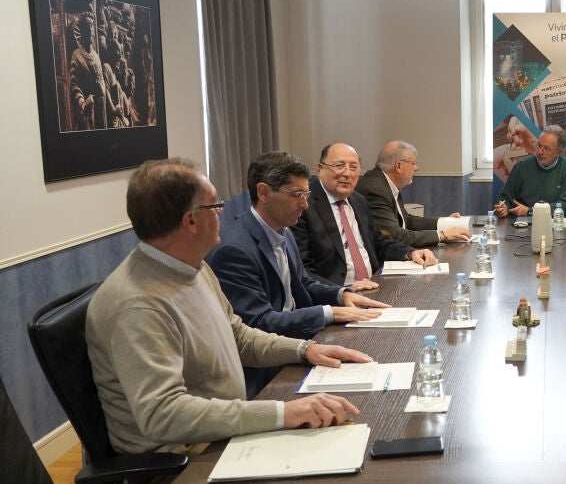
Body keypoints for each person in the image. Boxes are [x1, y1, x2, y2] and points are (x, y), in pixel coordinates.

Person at [85, 158, 372, 455]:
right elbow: (164, 414)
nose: (223, 212)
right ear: (191, 221)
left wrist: (305, 350)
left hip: (226, 428)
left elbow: (237, 335)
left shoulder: (192, 268)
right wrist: (282, 414)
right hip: (186, 458)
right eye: (215, 205)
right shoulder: (138, 305)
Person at [207, 152, 391, 397]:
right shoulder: (234, 250)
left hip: (298, 343)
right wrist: (328, 312)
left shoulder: (283, 229)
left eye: (306, 194)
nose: (305, 204)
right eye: (296, 195)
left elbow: (302, 282)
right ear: (264, 192)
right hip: (267, 372)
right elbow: (259, 324)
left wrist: (341, 295)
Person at [293, 143, 438, 286]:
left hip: (373, 285)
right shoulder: (303, 205)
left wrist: (410, 253)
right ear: (321, 168)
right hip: (337, 293)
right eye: (339, 166)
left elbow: (377, 242)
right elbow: (302, 269)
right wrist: (342, 293)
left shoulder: (358, 200)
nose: (347, 173)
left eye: (353, 167)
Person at [355, 140, 470, 247]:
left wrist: (445, 222)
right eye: (413, 163)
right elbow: (395, 236)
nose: (416, 168)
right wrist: (442, 235)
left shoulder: (385, 182)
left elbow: (407, 221)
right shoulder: (376, 189)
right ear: (399, 166)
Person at [494, 125, 566, 217]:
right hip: (523, 222)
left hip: (555, 221)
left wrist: (531, 211)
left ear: (559, 152)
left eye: (546, 148)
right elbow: (506, 197)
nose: (540, 152)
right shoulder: (522, 165)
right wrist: (504, 207)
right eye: (539, 145)